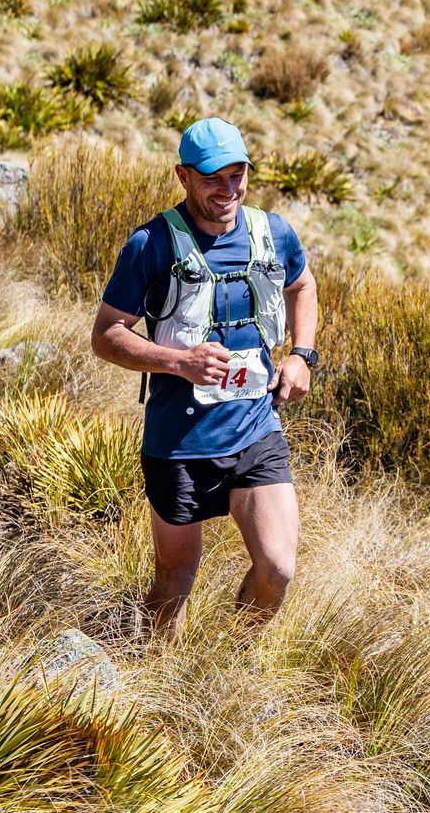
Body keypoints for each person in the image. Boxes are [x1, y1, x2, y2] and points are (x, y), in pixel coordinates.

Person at [91, 117, 319, 639]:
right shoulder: (150, 244)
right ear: (183, 177)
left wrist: (302, 356)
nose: (228, 188)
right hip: (178, 439)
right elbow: (106, 335)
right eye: (213, 176)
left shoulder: (273, 232)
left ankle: (227, 660)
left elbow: (302, 285)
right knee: (174, 581)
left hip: (256, 429)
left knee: (278, 568)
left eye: (238, 173)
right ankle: (154, 675)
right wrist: (178, 362)